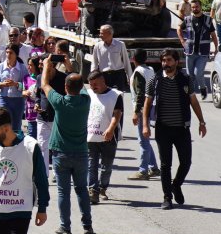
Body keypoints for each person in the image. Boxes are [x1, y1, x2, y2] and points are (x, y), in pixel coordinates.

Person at [142, 49, 207, 209]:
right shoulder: (155, 80)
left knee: (186, 162)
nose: (166, 64)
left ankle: (176, 185)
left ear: (177, 62)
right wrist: (145, 124)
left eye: (169, 60)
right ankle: (167, 197)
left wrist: (201, 121)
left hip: (182, 129)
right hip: (162, 128)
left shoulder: (185, 79)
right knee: (165, 165)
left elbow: (194, 101)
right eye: (164, 61)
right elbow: (147, 104)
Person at [41, 55, 93, 234]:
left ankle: (65, 226)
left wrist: (47, 66)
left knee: (64, 191)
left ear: (64, 87)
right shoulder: (86, 101)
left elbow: (45, 85)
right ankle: (87, 224)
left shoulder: (60, 103)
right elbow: (81, 85)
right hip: (81, 153)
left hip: (61, 153)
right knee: (82, 190)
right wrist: (69, 65)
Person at [85, 71, 124, 204]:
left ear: (103, 81)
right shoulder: (88, 94)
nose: (93, 87)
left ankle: (102, 188)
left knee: (106, 166)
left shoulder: (115, 95)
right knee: (91, 164)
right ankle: (93, 191)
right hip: (91, 136)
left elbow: (117, 114)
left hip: (109, 137)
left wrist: (110, 129)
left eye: (95, 84)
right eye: (90, 84)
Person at [128, 48, 160, 181]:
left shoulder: (138, 72)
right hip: (152, 106)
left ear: (133, 59)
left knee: (143, 141)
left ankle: (143, 170)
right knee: (145, 140)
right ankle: (153, 167)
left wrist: (136, 112)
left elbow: (140, 94)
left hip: (143, 109)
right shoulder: (150, 70)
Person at [178, 0, 214, 98]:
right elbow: (179, 29)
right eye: (193, 7)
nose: (195, 9)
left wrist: (216, 48)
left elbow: (213, 35)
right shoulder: (188, 19)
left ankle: (203, 89)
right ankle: (190, 94)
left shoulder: (207, 20)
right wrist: (182, 40)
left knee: (198, 73)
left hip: (202, 53)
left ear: (201, 7)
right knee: (190, 75)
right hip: (190, 52)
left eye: (196, 7)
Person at [0, 43, 28, 131]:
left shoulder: (22, 68)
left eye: (11, 53)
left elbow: (27, 85)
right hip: (4, 99)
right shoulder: (0, 67)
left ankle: (16, 143)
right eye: (7, 52)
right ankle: (5, 143)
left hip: (18, 100)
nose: (8, 55)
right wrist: (2, 84)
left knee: (16, 124)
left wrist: (16, 84)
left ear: (16, 54)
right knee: (5, 123)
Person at [90, 25, 131, 92]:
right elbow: (94, 63)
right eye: (100, 33)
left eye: (102, 33)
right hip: (104, 77)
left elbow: (126, 62)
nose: (100, 35)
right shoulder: (97, 46)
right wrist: (92, 77)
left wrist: (130, 77)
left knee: (118, 97)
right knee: (105, 96)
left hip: (118, 76)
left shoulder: (120, 45)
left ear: (109, 34)